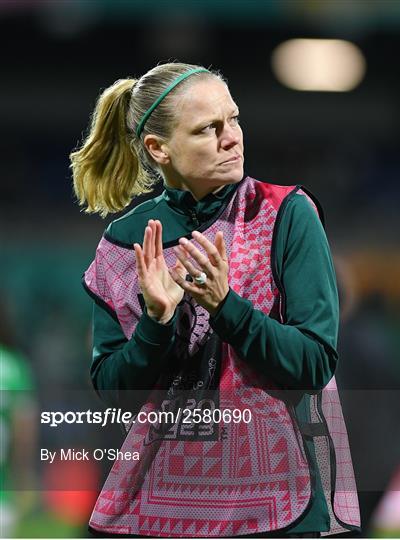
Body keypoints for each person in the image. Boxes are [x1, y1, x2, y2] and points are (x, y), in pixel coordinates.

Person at [71, 62, 360, 538]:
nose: (232, 138)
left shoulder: (286, 213)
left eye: (234, 119)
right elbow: (116, 393)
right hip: (163, 509)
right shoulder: (124, 242)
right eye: (209, 128)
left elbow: (314, 363)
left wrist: (226, 306)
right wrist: (155, 323)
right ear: (158, 148)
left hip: (277, 509)